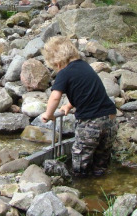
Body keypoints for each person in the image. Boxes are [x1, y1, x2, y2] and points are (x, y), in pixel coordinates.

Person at [40, 36, 118, 177]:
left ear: (57, 63)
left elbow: (55, 96)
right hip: (110, 119)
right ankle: (101, 183)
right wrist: (69, 105)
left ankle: (82, 187)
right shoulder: (85, 66)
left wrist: (48, 114)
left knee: (81, 159)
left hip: (90, 123)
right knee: (102, 159)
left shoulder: (64, 73)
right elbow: (85, 91)